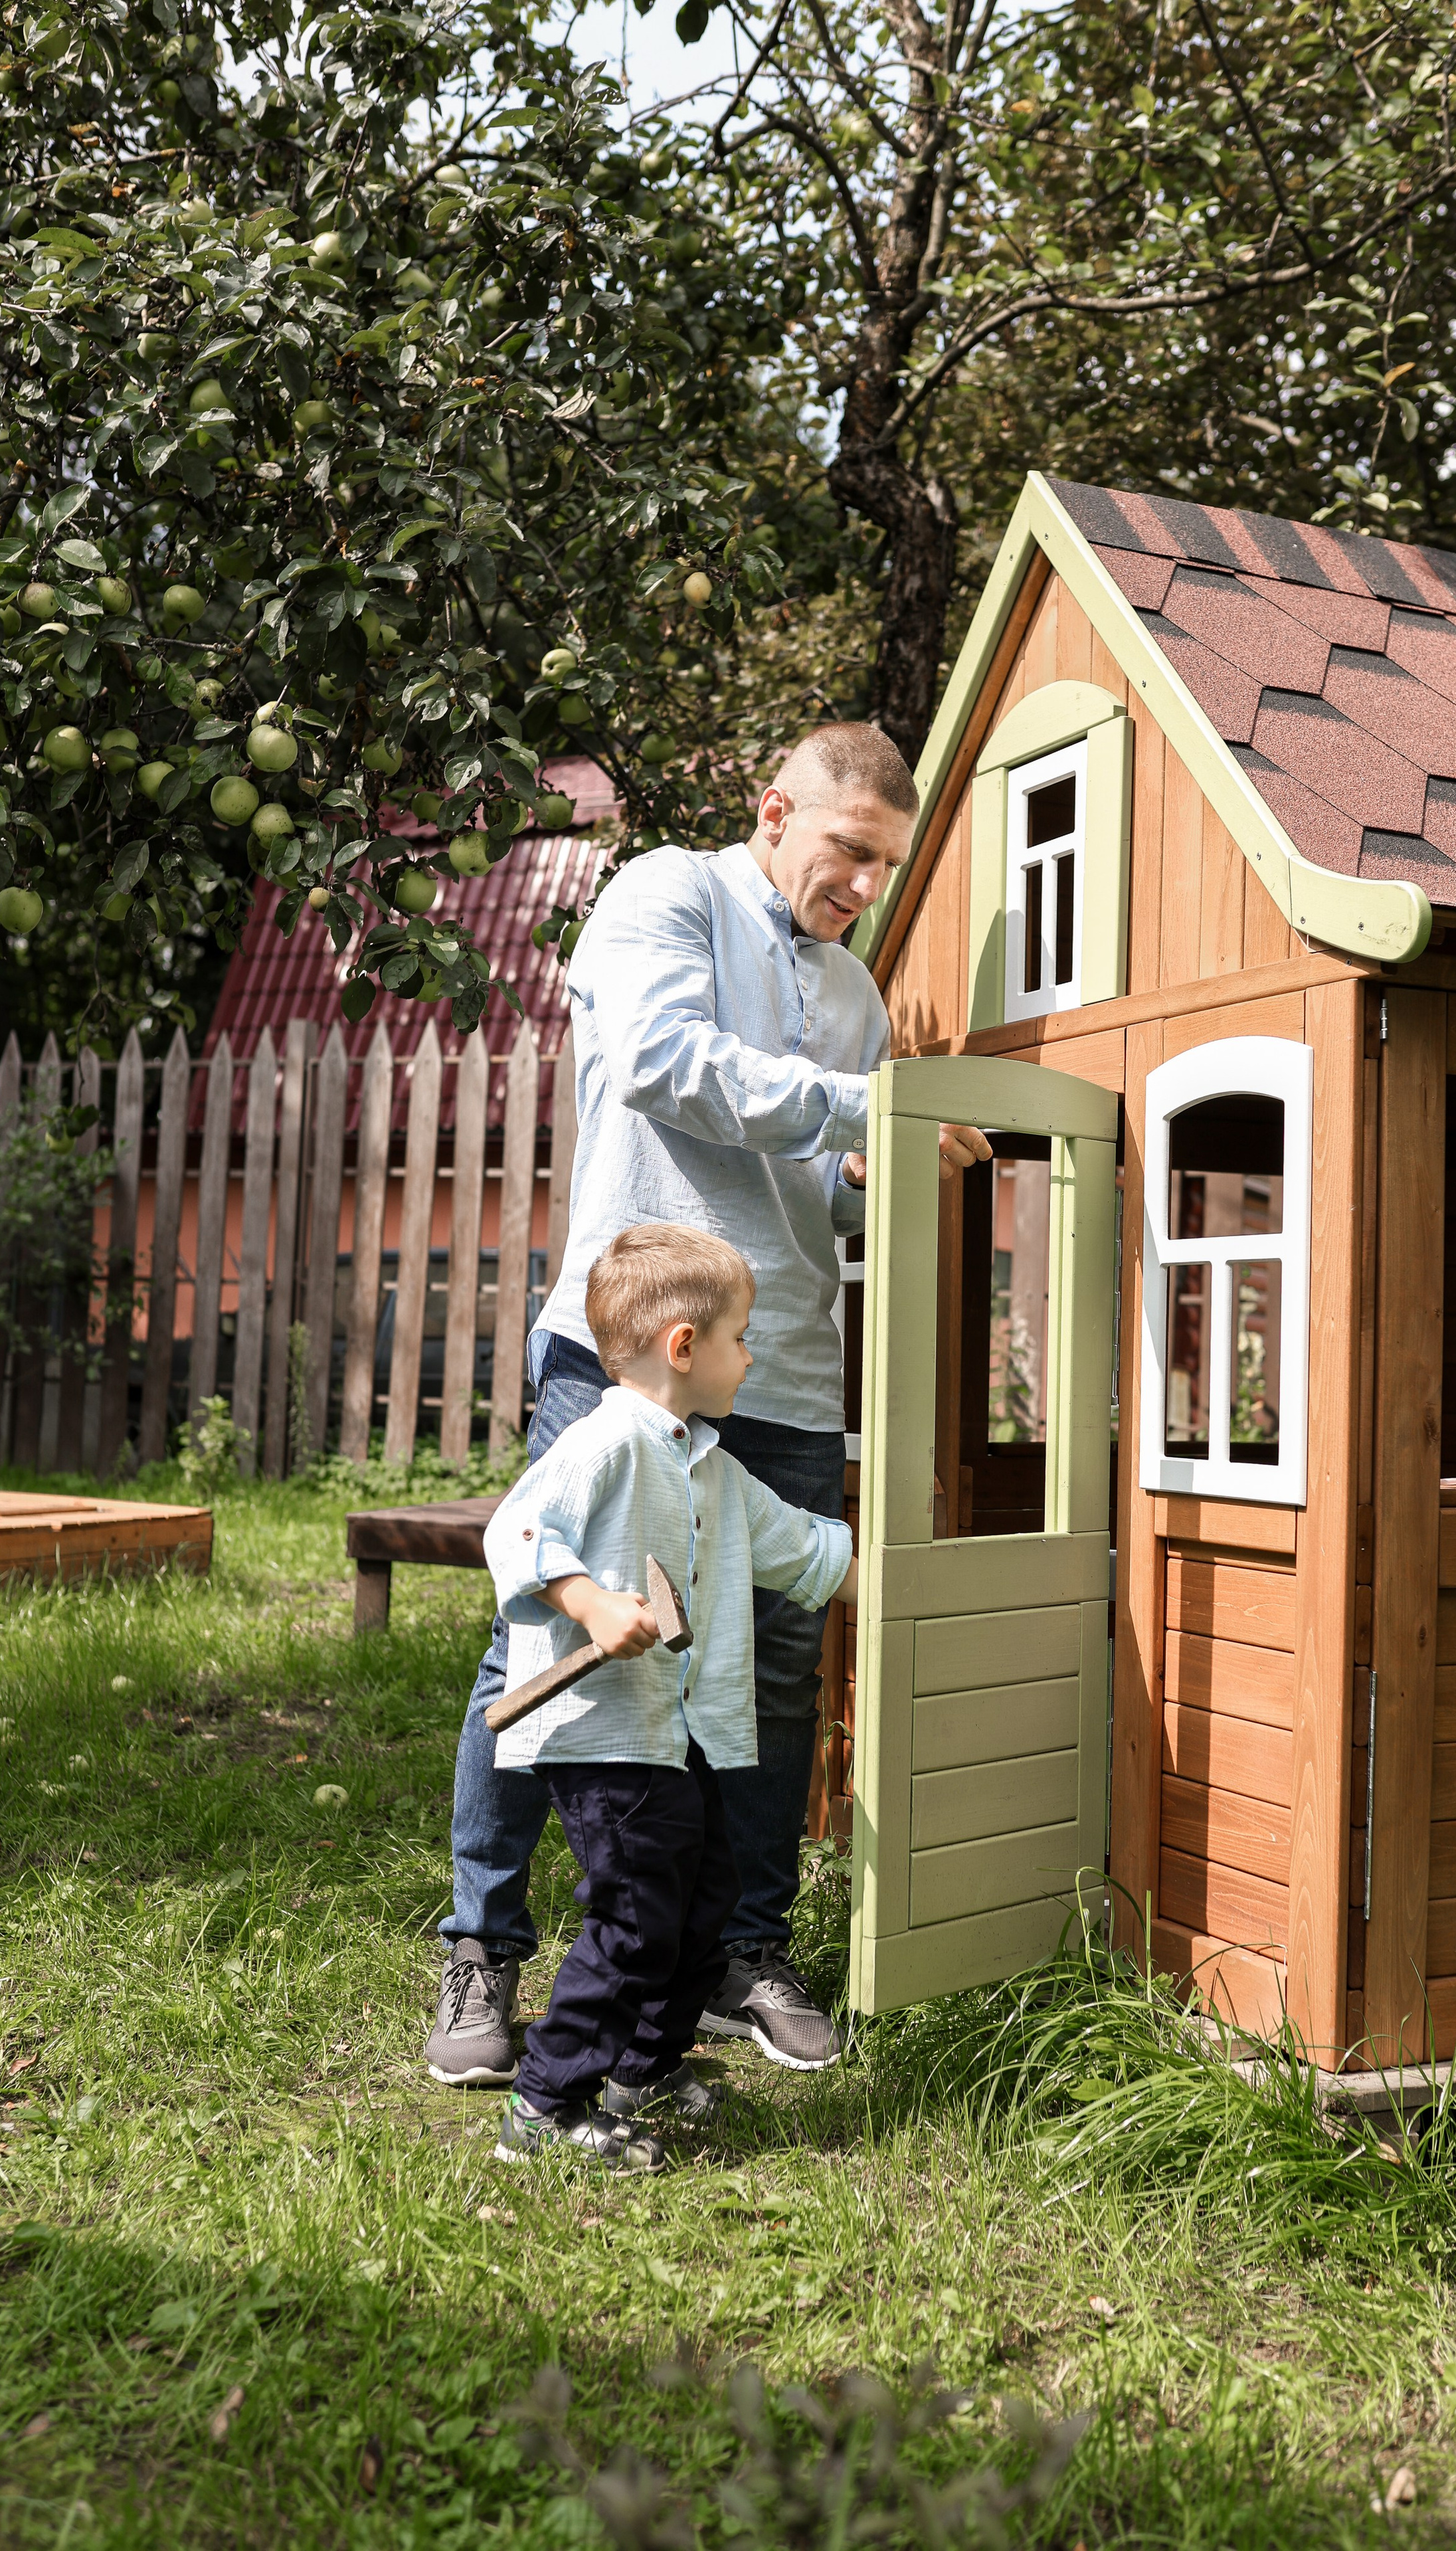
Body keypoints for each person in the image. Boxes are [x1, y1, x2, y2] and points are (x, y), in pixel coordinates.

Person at [426, 720, 991, 2088]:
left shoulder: (854, 996)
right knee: (547, 1637)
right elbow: (663, 1063)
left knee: (778, 1667)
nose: (865, 884)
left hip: (781, 1361)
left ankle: (745, 1953)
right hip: (624, 1353)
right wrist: (862, 1111)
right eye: (849, 850)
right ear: (774, 812)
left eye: (887, 863)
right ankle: (482, 1951)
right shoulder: (666, 893)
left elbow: (808, 1187)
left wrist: (866, 1172)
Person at [486, 1223, 856, 2170]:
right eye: (742, 1339)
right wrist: (590, 1601)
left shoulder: (713, 1469)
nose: (750, 1358)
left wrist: (922, 1569)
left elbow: (805, 1551)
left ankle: (642, 2070)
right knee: (637, 1918)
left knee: (702, 1909)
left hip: (681, 1738)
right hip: (608, 1738)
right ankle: (545, 2105)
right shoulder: (605, 1442)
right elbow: (517, 1529)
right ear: (684, 1346)